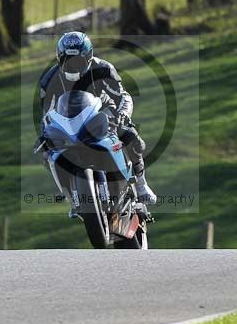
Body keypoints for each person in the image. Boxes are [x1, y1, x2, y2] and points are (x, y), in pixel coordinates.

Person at [39, 31, 157, 210]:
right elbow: (47, 113)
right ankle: (67, 191)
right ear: (59, 59)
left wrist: (122, 115)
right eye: (67, 61)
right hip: (69, 121)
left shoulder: (103, 69)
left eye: (77, 61)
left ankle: (141, 185)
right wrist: (45, 132)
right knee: (47, 149)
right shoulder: (50, 80)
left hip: (102, 113)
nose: (72, 66)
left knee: (130, 135)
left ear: (88, 57)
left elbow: (123, 97)